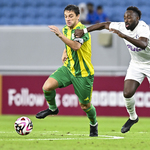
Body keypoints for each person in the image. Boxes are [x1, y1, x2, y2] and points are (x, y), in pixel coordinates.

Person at [75, 6, 150, 138]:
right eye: (125, 18)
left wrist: (124, 36)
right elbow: (105, 24)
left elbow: (143, 44)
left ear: (137, 18)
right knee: (127, 93)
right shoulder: (122, 26)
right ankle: (133, 117)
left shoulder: (143, 27)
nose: (126, 20)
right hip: (136, 64)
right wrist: (84, 30)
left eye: (129, 17)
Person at [35, 5, 98, 137]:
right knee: (47, 87)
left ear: (78, 16)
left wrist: (59, 35)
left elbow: (75, 46)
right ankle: (53, 109)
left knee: (85, 106)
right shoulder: (66, 29)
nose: (67, 19)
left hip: (83, 73)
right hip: (68, 68)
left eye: (71, 16)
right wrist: (64, 51)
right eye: (65, 16)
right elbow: (69, 44)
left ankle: (93, 124)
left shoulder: (82, 30)